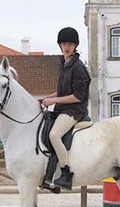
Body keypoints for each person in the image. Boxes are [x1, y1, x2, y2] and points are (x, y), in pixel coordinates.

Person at [39, 27, 91, 190]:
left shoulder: (78, 68)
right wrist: (46, 97)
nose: (66, 47)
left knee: (54, 135)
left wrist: (53, 100)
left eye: (70, 44)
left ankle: (66, 173)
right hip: (63, 109)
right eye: (63, 44)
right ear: (60, 45)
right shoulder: (65, 63)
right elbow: (62, 92)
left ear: (75, 46)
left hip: (74, 111)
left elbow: (77, 96)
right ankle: (47, 177)